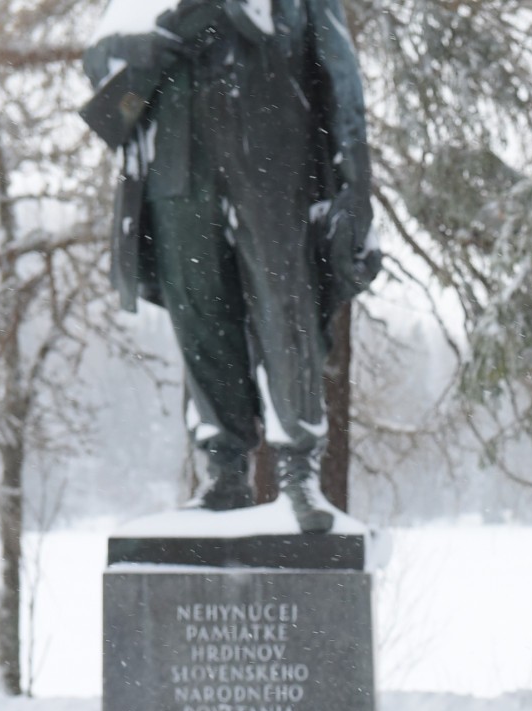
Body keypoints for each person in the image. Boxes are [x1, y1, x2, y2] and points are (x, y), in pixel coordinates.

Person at [81, 0, 381, 529]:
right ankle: (224, 468)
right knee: (200, 316)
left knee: (286, 312)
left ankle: (298, 469)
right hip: (178, 169)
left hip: (272, 164)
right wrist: (157, 40)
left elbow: (341, 74)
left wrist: (354, 176)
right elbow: (102, 60)